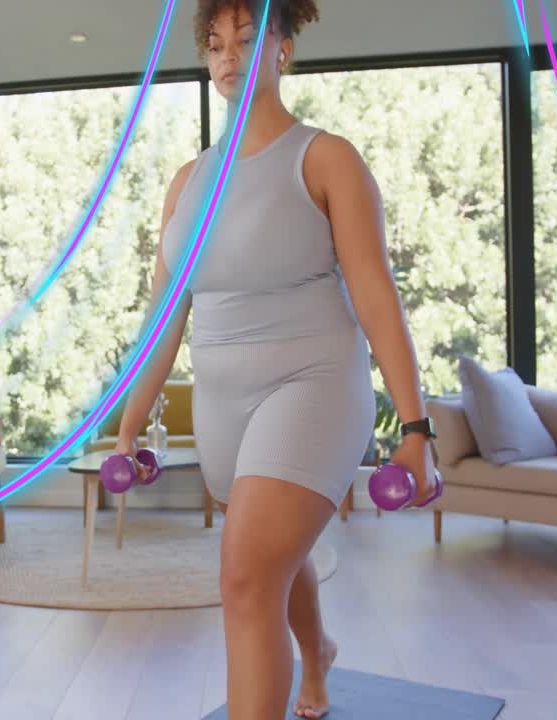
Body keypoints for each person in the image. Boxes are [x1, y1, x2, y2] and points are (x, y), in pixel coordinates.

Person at [112, 1, 438, 717]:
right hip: (224, 404)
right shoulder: (186, 183)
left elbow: (379, 300)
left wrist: (416, 433)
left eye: (249, 39)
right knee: (270, 562)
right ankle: (315, 653)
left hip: (313, 386)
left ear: (283, 50)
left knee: (245, 578)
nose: (229, 56)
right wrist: (130, 428)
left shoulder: (325, 159)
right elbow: (164, 320)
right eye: (216, 44)